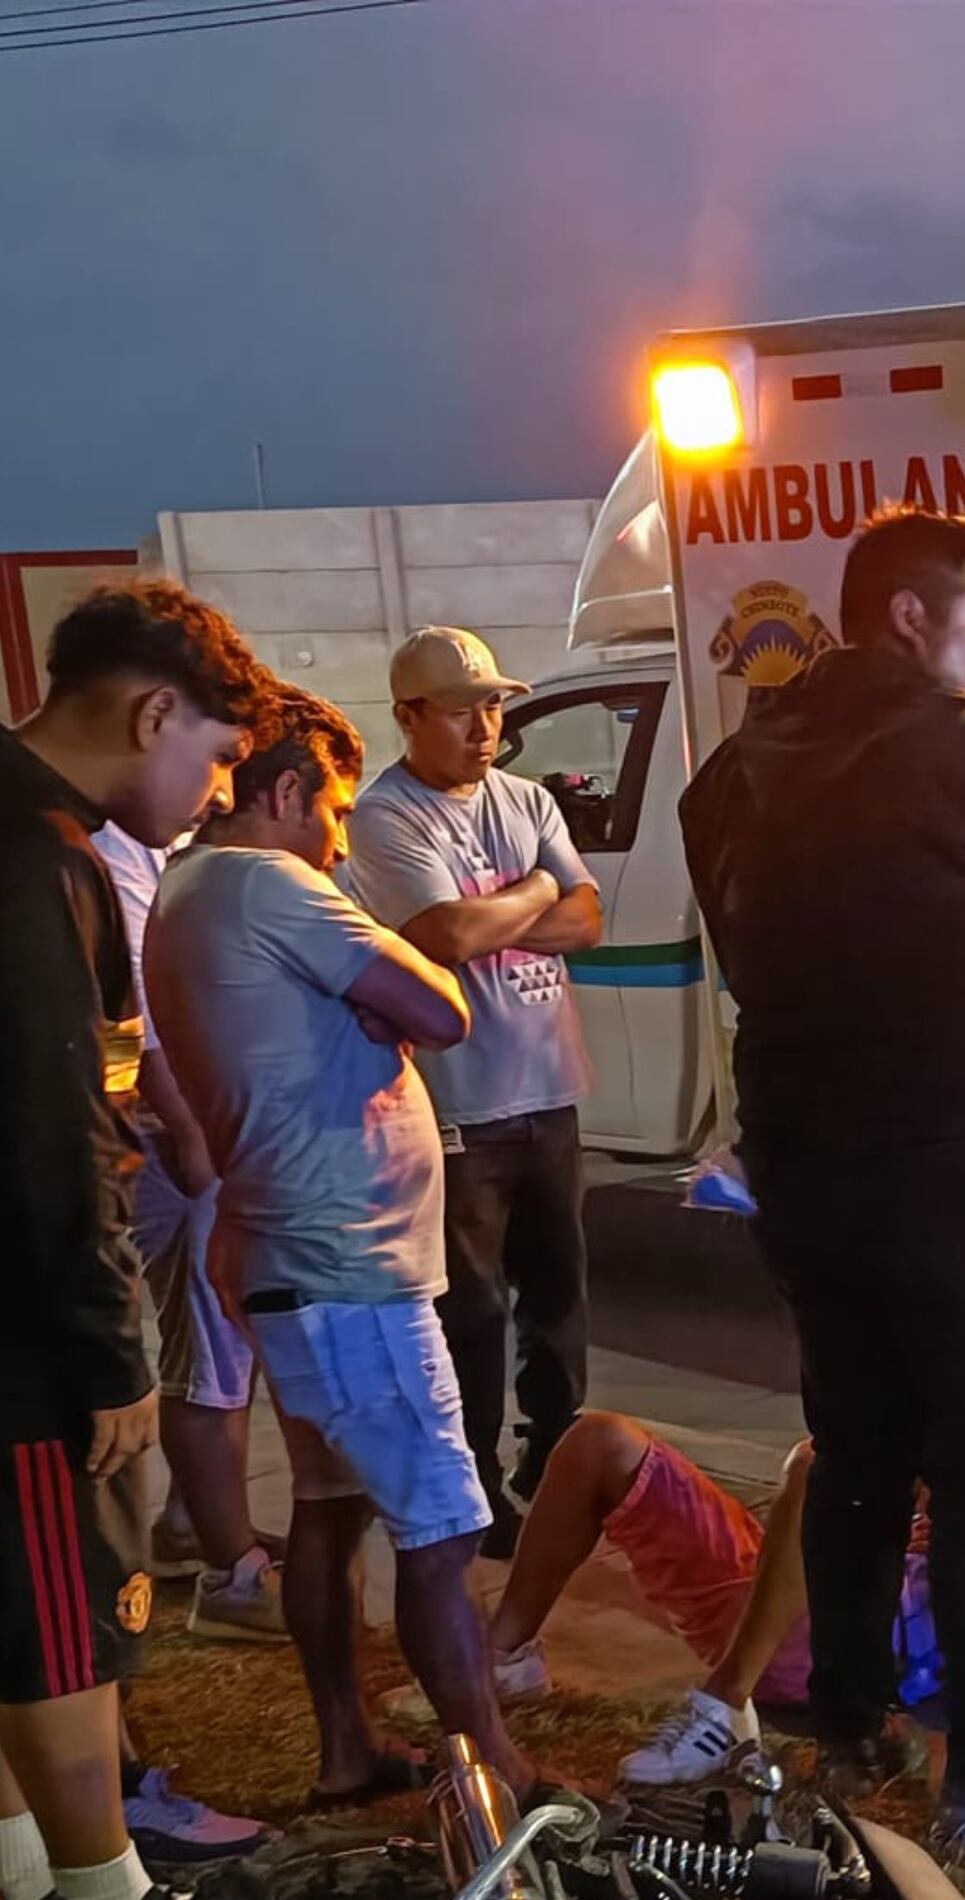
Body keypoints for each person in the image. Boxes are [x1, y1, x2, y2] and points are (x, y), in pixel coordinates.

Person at [679, 506, 965, 1847]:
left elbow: (740, 946)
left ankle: (853, 1732)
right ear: (907, 619)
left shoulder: (741, 770)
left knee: (859, 1457)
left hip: (812, 1181)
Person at [141, 684, 534, 1806]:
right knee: (440, 1525)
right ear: (282, 791)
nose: (338, 840)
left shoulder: (190, 889)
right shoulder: (268, 883)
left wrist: (382, 1007)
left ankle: (347, 1751)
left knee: (330, 1507)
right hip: (345, 1264)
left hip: (293, 1253)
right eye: (332, 810)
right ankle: (492, 1772)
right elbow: (446, 1005)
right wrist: (394, 1001)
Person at [5, 579, 267, 1900]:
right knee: (56, 1617)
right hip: (23, 1332)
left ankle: (29, 1879)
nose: (214, 788)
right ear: (150, 712)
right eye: (217, 755)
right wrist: (116, 1358)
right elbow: (55, 1135)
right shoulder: (39, 864)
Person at [340, 628, 601, 1557]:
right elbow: (443, 934)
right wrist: (537, 887)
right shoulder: (385, 818)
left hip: (547, 1088)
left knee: (559, 1300)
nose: (485, 726)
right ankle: (479, 1490)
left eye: (492, 704)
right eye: (461, 709)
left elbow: (589, 917)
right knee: (475, 1312)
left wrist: (520, 907)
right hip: (457, 1105)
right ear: (409, 716)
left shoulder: (523, 797)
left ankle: (560, 1463)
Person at [101, 820, 274, 1640]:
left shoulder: (159, 851)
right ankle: (231, 1571)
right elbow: (144, 1008)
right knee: (209, 1344)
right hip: (171, 1132)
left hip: (183, 1126)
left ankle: (192, 1526)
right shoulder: (110, 849)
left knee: (212, 1339)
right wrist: (195, 1134)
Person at [460, 1417, 828, 1787]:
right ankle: (506, 1662)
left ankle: (727, 1705)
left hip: (858, 1643)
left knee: (818, 1464)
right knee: (600, 1442)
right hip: (802, 1589)